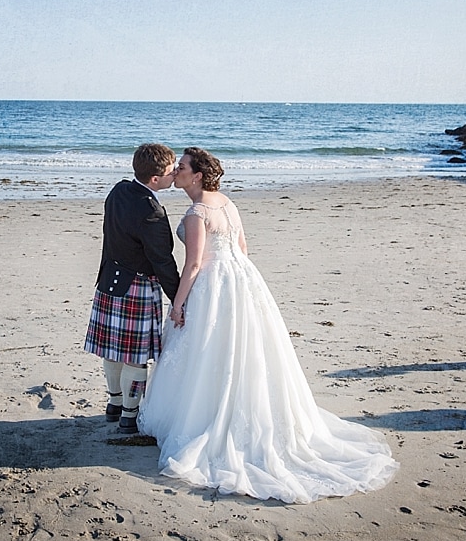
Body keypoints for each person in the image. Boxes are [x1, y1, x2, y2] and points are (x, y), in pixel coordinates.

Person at [138, 148, 399, 503]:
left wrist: (179, 303)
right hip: (243, 279)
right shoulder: (226, 203)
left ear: (196, 175)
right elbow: (242, 247)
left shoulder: (198, 212)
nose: (176, 171)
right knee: (243, 350)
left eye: (181, 167)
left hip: (214, 282)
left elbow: (194, 265)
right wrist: (237, 282)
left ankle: (211, 418)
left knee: (210, 350)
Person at [84, 143, 181, 435]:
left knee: (112, 351)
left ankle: (114, 404)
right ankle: (129, 415)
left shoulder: (118, 191)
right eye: (170, 171)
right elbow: (162, 260)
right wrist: (178, 299)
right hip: (137, 286)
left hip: (109, 280)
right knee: (135, 356)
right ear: (155, 179)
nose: (174, 174)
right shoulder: (151, 211)